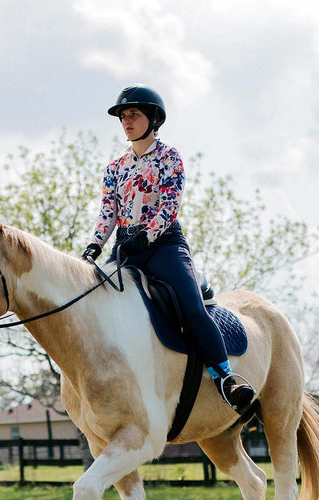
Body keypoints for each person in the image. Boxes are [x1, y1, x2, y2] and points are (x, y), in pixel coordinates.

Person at [82, 85, 255, 413]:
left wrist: (146, 236)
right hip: (125, 247)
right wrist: (94, 246)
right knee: (93, 298)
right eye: (123, 116)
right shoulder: (114, 168)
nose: (127, 121)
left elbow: (169, 206)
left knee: (191, 306)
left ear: (154, 119)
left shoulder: (169, 157)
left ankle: (226, 378)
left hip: (163, 245)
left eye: (133, 114)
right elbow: (108, 212)